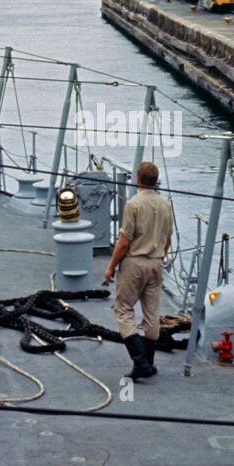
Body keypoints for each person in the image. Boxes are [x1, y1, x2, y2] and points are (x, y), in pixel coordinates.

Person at [103, 161, 174, 381]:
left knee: (123, 309)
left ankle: (140, 361)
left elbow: (124, 242)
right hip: (156, 262)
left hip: (135, 263)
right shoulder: (165, 204)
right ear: (155, 180)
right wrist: (159, 256)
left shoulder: (133, 204)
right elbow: (168, 239)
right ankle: (149, 363)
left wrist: (111, 267)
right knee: (152, 314)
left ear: (138, 179)